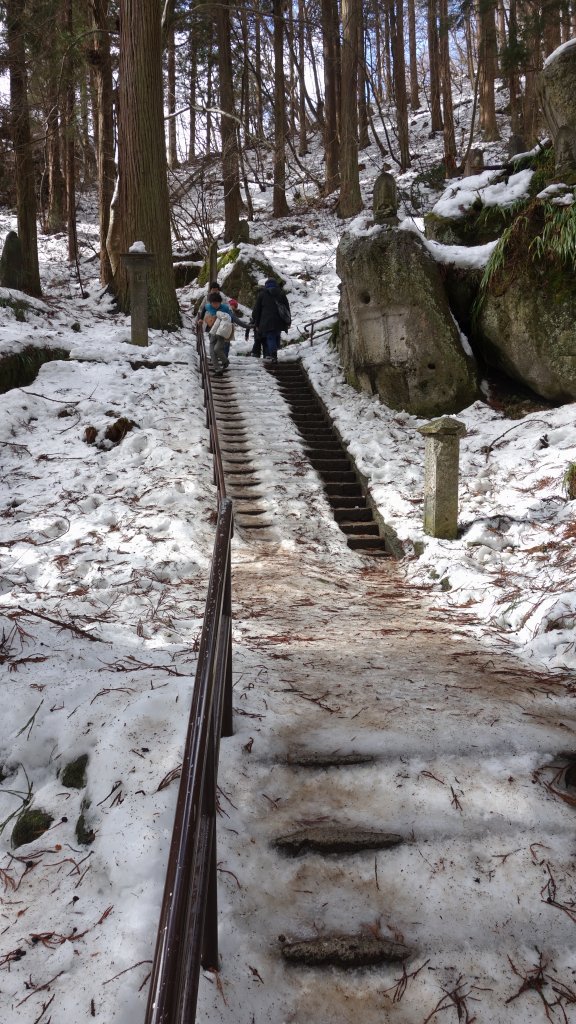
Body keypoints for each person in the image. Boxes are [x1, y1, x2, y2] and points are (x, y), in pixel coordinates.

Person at [202, 291, 248, 375]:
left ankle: (225, 361)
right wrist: (201, 319)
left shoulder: (225, 308)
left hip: (222, 333)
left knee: (217, 349)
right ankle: (218, 370)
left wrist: (246, 326)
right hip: (212, 332)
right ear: (211, 303)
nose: (215, 305)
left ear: (220, 302)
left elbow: (233, 318)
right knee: (212, 352)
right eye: (213, 303)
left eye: (217, 303)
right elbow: (204, 309)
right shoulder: (208, 306)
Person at [251, 278, 291, 363]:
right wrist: (288, 321)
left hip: (266, 321)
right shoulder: (281, 293)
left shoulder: (262, 294)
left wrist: (256, 323)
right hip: (280, 321)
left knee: (270, 337)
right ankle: (272, 353)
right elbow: (287, 309)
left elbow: (257, 310)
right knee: (276, 336)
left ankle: (273, 355)